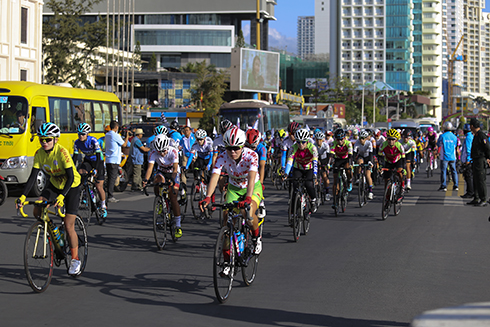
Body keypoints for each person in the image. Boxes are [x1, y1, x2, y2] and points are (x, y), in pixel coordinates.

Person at [15, 122, 82, 275]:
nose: (44, 142)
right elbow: (33, 176)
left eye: (47, 139)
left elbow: (71, 177)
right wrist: (23, 196)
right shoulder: (39, 153)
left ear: (55, 139)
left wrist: (61, 196)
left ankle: (75, 259)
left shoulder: (62, 153)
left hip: (71, 187)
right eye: (42, 139)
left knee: (68, 224)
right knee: (37, 209)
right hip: (55, 184)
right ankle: (51, 229)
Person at [200, 127, 263, 255]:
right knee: (227, 222)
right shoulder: (222, 157)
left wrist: (248, 197)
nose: (233, 152)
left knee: (248, 214)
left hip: (251, 187)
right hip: (234, 188)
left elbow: (251, 178)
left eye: (236, 148)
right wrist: (207, 196)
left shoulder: (252, 155)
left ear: (243, 146)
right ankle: (227, 261)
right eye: (229, 148)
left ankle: (256, 238)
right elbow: (215, 176)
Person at [142, 135, 183, 238]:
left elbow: (174, 169)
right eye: (159, 151)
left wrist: (173, 180)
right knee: (157, 181)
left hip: (173, 172)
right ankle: (160, 200)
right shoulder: (153, 153)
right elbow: (150, 168)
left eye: (164, 151)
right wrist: (146, 180)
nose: (162, 153)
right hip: (162, 172)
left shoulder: (173, 151)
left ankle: (178, 225)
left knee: (173, 197)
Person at [73, 123, 107, 217]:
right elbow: (75, 157)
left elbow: (98, 156)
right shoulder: (77, 142)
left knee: (99, 185)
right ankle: (85, 191)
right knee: (80, 172)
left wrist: (96, 169)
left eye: (83, 134)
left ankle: (103, 206)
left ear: (87, 134)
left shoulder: (93, 140)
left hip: (98, 161)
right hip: (88, 160)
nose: (81, 136)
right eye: (79, 134)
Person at [284, 128, 319, 213]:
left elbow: (315, 162)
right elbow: (289, 162)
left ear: (307, 141)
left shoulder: (312, 148)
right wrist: (285, 173)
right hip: (298, 168)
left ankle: (313, 200)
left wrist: (315, 174)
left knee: (308, 184)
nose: (301, 144)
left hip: (309, 169)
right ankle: (293, 211)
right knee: (295, 187)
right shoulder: (293, 148)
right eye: (298, 142)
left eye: (303, 142)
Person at [328, 129, 354, 208]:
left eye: (341, 139)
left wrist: (350, 164)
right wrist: (329, 164)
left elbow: (350, 155)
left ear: (344, 138)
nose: (339, 141)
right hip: (338, 159)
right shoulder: (333, 143)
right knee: (335, 180)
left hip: (346, 159)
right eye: (338, 139)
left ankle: (349, 181)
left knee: (347, 169)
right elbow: (331, 155)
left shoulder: (348, 143)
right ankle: (335, 200)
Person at [467, 118, 490, 206]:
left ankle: (483, 199)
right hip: (476, 160)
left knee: (481, 180)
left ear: (472, 126)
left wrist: (488, 158)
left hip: (480, 160)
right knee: (476, 180)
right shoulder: (476, 135)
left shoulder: (481, 135)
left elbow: (487, 148)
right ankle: (476, 198)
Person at [105, 120, 128, 203]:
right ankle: (110, 196)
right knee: (112, 179)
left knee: (110, 178)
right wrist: (127, 136)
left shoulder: (107, 134)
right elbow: (124, 144)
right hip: (114, 160)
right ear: (116, 127)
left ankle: (108, 195)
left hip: (108, 159)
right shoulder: (115, 135)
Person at [379, 129, 406, 196]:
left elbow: (403, 158)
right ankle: (387, 196)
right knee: (386, 180)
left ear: (396, 140)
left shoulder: (399, 146)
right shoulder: (383, 145)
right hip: (388, 161)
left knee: (399, 172)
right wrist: (380, 166)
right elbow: (379, 156)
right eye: (389, 139)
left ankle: (402, 185)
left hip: (398, 161)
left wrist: (403, 168)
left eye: (393, 139)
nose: (391, 141)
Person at [437, 122, 459, 192]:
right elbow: (456, 145)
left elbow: (438, 144)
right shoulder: (454, 136)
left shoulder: (442, 136)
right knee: (454, 171)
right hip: (452, 156)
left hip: (444, 157)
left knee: (443, 171)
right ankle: (456, 185)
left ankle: (443, 186)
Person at [353, 130, 374, 199]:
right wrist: (353, 161)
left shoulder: (369, 143)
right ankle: (359, 177)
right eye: (360, 138)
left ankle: (370, 191)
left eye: (363, 138)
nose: (361, 140)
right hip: (361, 156)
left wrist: (370, 162)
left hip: (368, 157)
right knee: (359, 163)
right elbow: (355, 152)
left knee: (368, 175)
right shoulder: (357, 142)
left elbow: (371, 153)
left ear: (366, 138)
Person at [314, 130, 331, 201]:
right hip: (316, 160)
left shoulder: (326, 145)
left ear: (322, 140)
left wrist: (327, 164)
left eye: (320, 140)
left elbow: (329, 156)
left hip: (324, 160)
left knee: (324, 177)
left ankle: (327, 193)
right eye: (317, 140)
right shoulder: (314, 145)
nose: (318, 142)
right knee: (315, 178)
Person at [460, 123, 474, 199]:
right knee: (468, 177)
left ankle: (470, 192)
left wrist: (467, 160)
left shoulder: (468, 138)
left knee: (468, 177)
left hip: (468, 160)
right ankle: (470, 191)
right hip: (468, 160)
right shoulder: (470, 136)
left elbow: (468, 150)